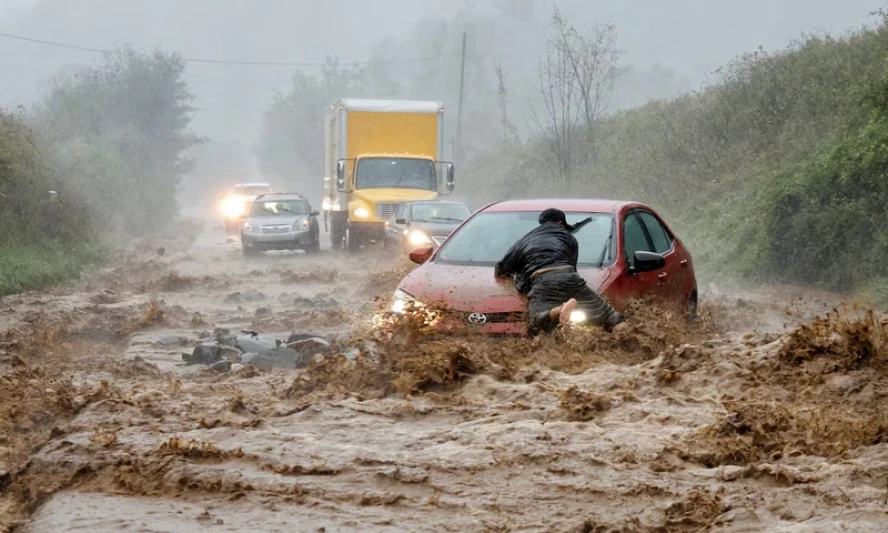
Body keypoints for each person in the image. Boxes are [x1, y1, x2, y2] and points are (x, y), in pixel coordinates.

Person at [494, 208, 628, 337]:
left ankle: (557, 311)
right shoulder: (569, 238)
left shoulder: (525, 240)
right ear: (560, 223)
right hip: (570, 277)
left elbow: (502, 269)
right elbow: (571, 267)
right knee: (611, 317)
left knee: (534, 326)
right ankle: (629, 343)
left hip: (543, 280)